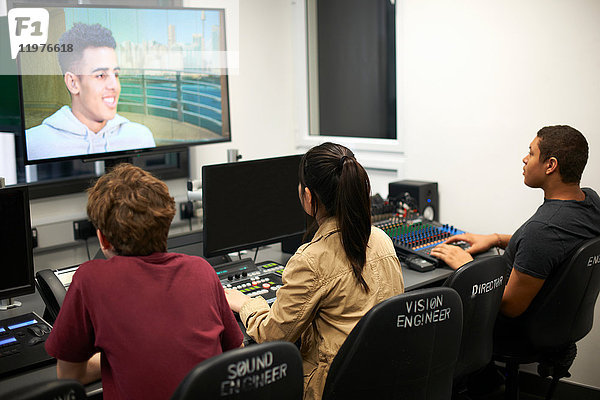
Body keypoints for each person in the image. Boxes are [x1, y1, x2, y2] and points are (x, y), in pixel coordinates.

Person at [45, 164, 242, 399]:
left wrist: (116, 356)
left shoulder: (90, 279)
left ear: (102, 238)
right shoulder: (201, 269)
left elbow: (69, 375)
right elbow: (234, 352)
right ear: (166, 226)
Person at [225, 142, 405, 400]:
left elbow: (272, 335)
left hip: (331, 388)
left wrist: (245, 304)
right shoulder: (381, 239)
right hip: (381, 381)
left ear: (308, 197)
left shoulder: (311, 259)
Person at [430, 125, 600, 319]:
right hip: (557, 335)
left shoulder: (542, 230)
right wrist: (497, 239)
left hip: (513, 344)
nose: (525, 159)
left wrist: (466, 266)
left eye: (531, 153)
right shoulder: (591, 202)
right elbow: (555, 249)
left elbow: (509, 306)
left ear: (550, 165)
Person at [26, 23, 155, 161]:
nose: (114, 86)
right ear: (73, 83)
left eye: (116, 74)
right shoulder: (34, 144)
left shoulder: (141, 137)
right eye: (100, 75)